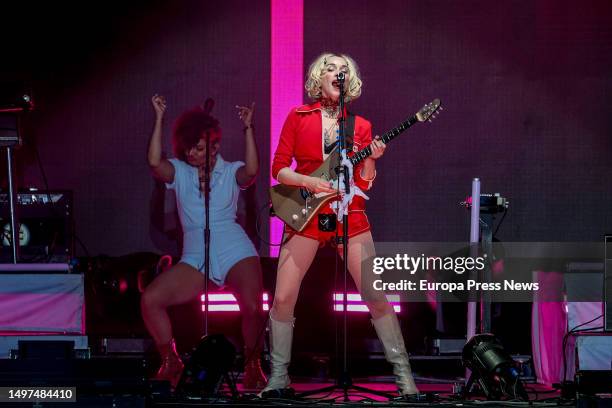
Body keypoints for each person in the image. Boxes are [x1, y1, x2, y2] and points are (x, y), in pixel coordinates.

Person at [262, 53, 418, 397]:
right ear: (320, 76)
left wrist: (372, 161)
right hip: (307, 214)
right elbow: (278, 168)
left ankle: (405, 378)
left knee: (375, 296)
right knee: (284, 296)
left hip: (350, 214)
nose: (337, 72)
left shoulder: (359, 126)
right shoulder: (298, 116)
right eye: (331, 67)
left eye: (343, 69)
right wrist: (309, 182)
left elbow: (363, 180)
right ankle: (278, 377)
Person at [142, 95, 266, 390]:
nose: (199, 153)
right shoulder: (180, 172)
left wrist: (249, 129)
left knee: (252, 305)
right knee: (151, 299)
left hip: (233, 247)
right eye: (193, 149)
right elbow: (153, 163)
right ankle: (170, 360)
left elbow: (251, 172)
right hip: (196, 254)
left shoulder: (230, 169)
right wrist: (159, 119)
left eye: (205, 147)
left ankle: (253, 365)